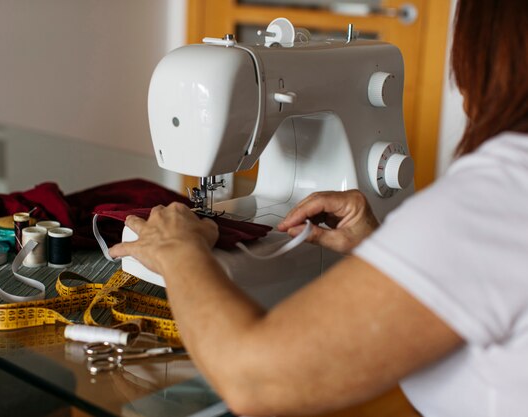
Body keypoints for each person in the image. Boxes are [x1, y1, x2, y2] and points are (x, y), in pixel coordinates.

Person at [109, 1, 528, 415]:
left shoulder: (491, 203)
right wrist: (384, 249)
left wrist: (180, 253)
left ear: (485, 51)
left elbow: (253, 380)